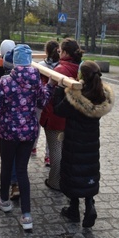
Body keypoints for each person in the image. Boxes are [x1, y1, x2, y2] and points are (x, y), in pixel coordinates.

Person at [0, 44, 53, 230]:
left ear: (15, 62)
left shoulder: (5, 81)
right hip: (28, 133)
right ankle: (26, 215)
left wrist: (4, 120)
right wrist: (49, 86)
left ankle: (4, 201)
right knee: (22, 170)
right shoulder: (36, 81)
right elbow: (43, 101)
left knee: (6, 167)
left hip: (8, 132)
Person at [53, 60, 114, 228]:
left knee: (73, 173)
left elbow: (58, 109)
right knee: (88, 171)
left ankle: (73, 210)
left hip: (74, 143)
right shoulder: (101, 94)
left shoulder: (75, 97)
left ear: (81, 75)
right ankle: (90, 206)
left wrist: (59, 89)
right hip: (91, 143)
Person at [40, 38, 83, 191]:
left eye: (61, 51)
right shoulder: (80, 68)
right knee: (66, 149)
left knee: (56, 150)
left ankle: (55, 182)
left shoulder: (60, 70)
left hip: (56, 116)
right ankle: (66, 178)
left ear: (64, 52)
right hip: (73, 117)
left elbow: (49, 94)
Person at [37, 39, 60, 167]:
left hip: (41, 99)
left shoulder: (40, 65)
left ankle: (33, 148)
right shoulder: (61, 67)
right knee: (50, 129)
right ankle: (48, 156)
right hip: (54, 101)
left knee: (37, 124)